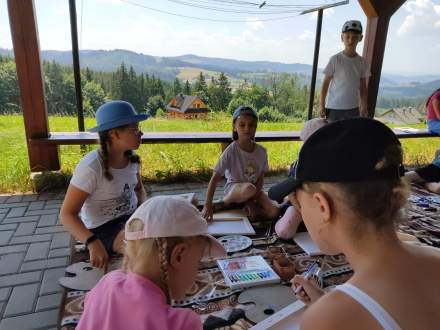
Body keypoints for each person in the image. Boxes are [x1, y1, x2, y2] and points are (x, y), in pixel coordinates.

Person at [283, 118, 440, 329]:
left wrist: (328, 311)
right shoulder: (433, 255)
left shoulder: (327, 318)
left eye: (298, 203)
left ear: (322, 206)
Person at [76, 196, 227, 330]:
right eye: (198, 261)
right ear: (179, 256)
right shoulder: (180, 323)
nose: (198, 272)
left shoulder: (107, 282)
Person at [60, 100, 148, 268]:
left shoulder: (132, 159)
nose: (140, 133)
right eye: (134, 129)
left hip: (132, 218)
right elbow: (66, 215)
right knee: (143, 252)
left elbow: (139, 189)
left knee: (172, 224)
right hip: (103, 228)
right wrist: (93, 242)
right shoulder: (91, 167)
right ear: (114, 134)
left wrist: (145, 210)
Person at [202, 106, 279, 221]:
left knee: (275, 211)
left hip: (254, 191)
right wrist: (207, 204)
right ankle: (224, 202)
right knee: (249, 188)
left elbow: (260, 179)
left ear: (256, 127)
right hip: (235, 190)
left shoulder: (262, 151)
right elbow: (215, 178)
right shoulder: (231, 150)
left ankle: (249, 209)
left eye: (251, 125)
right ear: (234, 127)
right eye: (242, 125)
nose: (247, 128)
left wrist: (253, 201)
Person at [269, 118, 328, 239]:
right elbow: (283, 193)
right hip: (300, 206)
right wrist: (303, 211)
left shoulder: (334, 163)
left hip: (324, 208)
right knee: (284, 231)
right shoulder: (300, 163)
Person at [320, 20, 370, 122]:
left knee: (350, 137)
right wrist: (321, 105)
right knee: (333, 136)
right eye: (347, 36)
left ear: (360, 38)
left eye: (355, 37)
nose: (350, 40)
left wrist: (364, 106)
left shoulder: (362, 62)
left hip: (353, 108)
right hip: (334, 108)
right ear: (342, 37)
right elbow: (325, 84)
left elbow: (363, 87)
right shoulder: (335, 59)